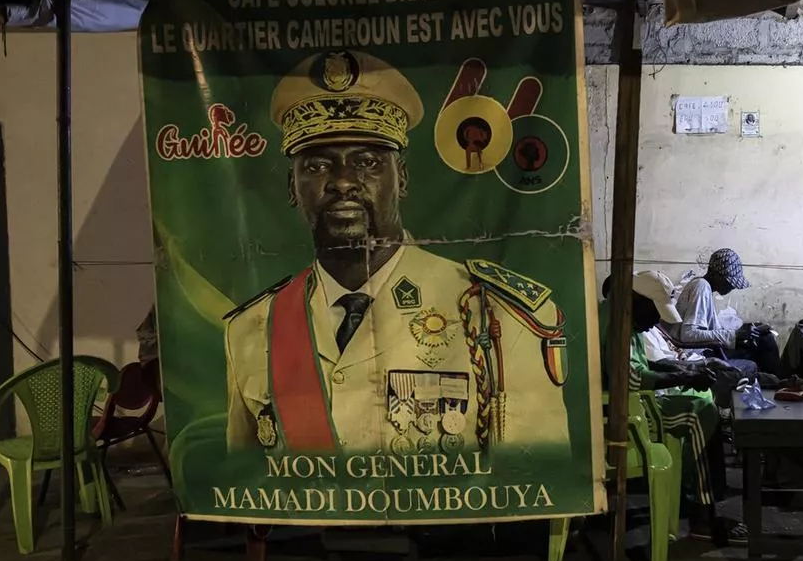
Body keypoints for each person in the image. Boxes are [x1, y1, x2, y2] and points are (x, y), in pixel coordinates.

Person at [224, 50, 570, 457]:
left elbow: (532, 485)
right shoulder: (251, 328)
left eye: (368, 162)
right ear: (291, 187)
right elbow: (246, 491)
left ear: (401, 177)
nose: (343, 182)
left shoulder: (495, 315)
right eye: (317, 166)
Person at [599, 272, 747, 544]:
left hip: (623, 402)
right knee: (700, 414)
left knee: (703, 407)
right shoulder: (618, 326)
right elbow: (630, 377)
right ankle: (703, 516)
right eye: (654, 312)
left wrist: (686, 368)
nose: (657, 321)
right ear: (637, 300)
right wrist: (685, 376)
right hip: (623, 414)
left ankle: (703, 496)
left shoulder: (618, 314)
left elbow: (637, 365)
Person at [671, 248, 781, 375]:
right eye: (729, 281)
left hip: (708, 347)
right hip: (699, 353)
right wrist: (734, 335)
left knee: (763, 337)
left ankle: (775, 381)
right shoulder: (701, 287)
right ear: (713, 273)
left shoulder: (703, 287)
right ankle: (779, 382)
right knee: (764, 343)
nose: (732, 286)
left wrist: (742, 330)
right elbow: (688, 335)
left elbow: (709, 330)